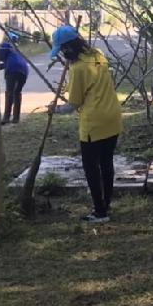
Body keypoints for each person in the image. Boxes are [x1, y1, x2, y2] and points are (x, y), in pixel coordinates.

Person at [51, 24, 123, 223]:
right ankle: (106, 205)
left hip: (94, 122)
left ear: (68, 48)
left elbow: (73, 104)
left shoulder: (78, 69)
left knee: (91, 168)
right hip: (113, 116)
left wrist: (55, 110)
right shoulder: (98, 54)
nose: (63, 54)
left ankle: (99, 212)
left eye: (62, 50)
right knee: (106, 163)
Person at [0, 32, 29, 125]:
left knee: (9, 93)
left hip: (12, 70)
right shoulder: (16, 50)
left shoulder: (5, 46)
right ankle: (16, 118)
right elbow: (9, 63)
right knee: (17, 93)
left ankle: (6, 117)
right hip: (24, 70)